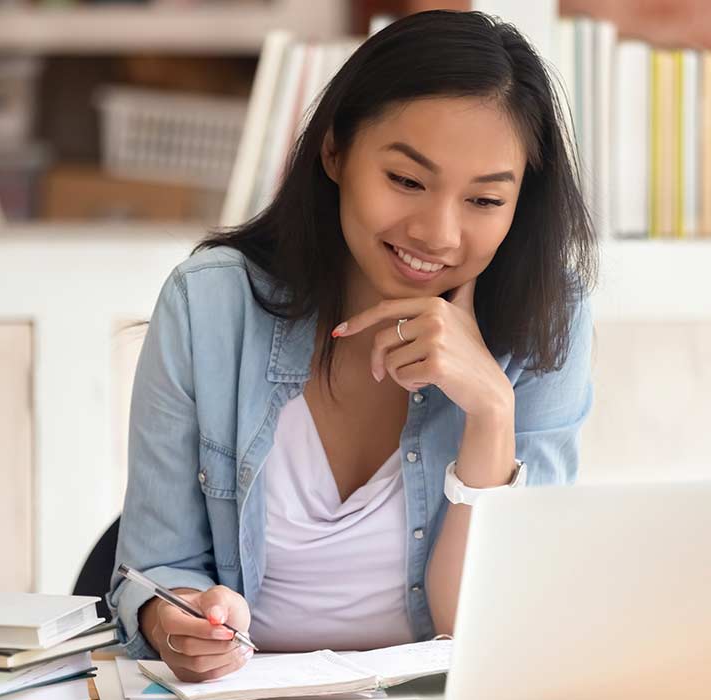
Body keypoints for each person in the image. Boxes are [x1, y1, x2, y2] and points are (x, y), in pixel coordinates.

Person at [107, 9, 598, 683]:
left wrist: (491, 412)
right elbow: (154, 567)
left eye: (484, 201)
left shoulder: (549, 321)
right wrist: (184, 621)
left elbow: (485, 630)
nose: (438, 233)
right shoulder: (210, 305)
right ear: (334, 151)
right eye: (406, 181)